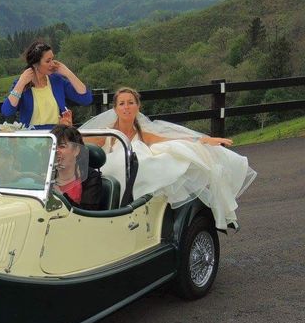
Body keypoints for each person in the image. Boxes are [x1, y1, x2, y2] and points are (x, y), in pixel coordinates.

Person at [80, 87, 257, 229]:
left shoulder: (142, 132)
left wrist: (204, 140)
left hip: (137, 170)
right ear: (116, 108)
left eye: (130, 103)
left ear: (137, 107)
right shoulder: (108, 132)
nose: (126, 107)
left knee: (160, 153)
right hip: (115, 171)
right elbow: (81, 140)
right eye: (122, 103)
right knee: (119, 163)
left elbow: (172, 139)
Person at [1, 40, 93, 129]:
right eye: (48, 61)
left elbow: (86, 99)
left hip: (57, 137)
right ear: (35, 64)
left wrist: (68, 73)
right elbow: (7, 111)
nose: (52, 64)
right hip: (31, 140)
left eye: (52, 59)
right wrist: (21, 83)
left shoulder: (57, 80)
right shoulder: (22, 84)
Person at [51, 124, 102, 210]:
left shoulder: (91, 178)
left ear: (76, 150)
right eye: (53, 146)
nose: (56, 151)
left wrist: (59, 195)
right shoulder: (47, 174)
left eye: (62, 146)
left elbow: (87, 215)